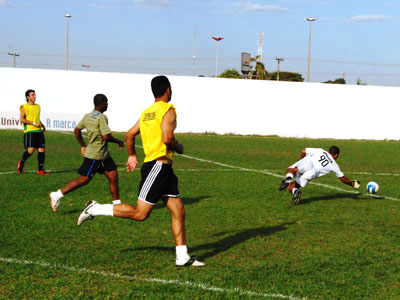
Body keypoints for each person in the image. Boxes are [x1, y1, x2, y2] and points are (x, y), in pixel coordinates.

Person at [76, 76, 205, 267]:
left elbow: (129, 135)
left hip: (164, 169)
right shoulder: (168, 110)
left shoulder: (147, 113)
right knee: (140, 214)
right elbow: (167, 138)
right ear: (168, 90)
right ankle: (94, 208)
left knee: (179, 210)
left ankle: (182, 256)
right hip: (157, 167)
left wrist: (132, 155)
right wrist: (178, 146)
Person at [49, 94, 124, 212]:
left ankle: (117, 205)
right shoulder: (101, 117)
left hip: (104, 155)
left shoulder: (88, 116)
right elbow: (106, 136)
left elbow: (77, 130)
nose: (108, 105)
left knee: (113, 176)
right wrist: (119, 141)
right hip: (95, 155)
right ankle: (57, 194)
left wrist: (83, 145)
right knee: (84, 179)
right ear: (103, 102)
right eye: (107, 102)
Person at [279, 146, 361, 205]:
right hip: (312, 173)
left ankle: (289, 178)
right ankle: (296, 191)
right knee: (292, 187)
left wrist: (302, 160)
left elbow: (303, 151)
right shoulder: (334, 165)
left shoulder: (321, 151)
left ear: (329, 151)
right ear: (336, 155)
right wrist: (352, 184)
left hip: (308, 163)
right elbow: (342, 178)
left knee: (291, 169)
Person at [17, 89, 49, 175]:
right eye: (32, 95)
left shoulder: (38, 106)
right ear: (28, 97)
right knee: (31, 150)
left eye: (35, 95)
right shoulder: (24, 106)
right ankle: (22, 162)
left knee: (41, 149)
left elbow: (36, 119)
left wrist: (42, 125)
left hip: (38, 131)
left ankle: (40, 170)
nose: (34, 96)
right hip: (30, 131)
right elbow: (22, 119)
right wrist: (34, 123)